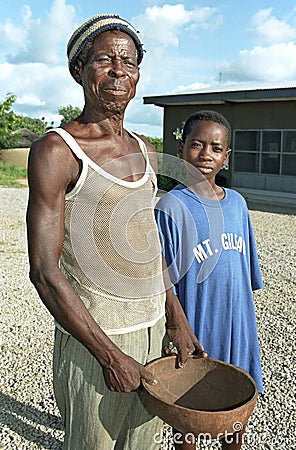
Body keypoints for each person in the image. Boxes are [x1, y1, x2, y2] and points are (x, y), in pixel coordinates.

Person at [26, 14, 205, 450]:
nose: (119, 70)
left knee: (141, 443)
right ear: (79, 71)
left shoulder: (144, 150)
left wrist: (177, 319)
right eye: (104, 59)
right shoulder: (58, 151)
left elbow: (147, 243)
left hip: (151, 335)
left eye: (128, 61)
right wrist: (109, 356)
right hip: (95, 342)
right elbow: (44, 271)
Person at [155, 110, 264, 450]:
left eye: (216, 148)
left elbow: (245, 279)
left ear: (226, 157)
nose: (206, 154)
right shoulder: (170, 208)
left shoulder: (238, 205)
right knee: (189, 420)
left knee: (236, 415)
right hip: (196, 330)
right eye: (196, 144)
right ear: (180, 148)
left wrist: (245, 331)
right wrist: (177, 329)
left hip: (236, 330)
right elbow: (162, 283)